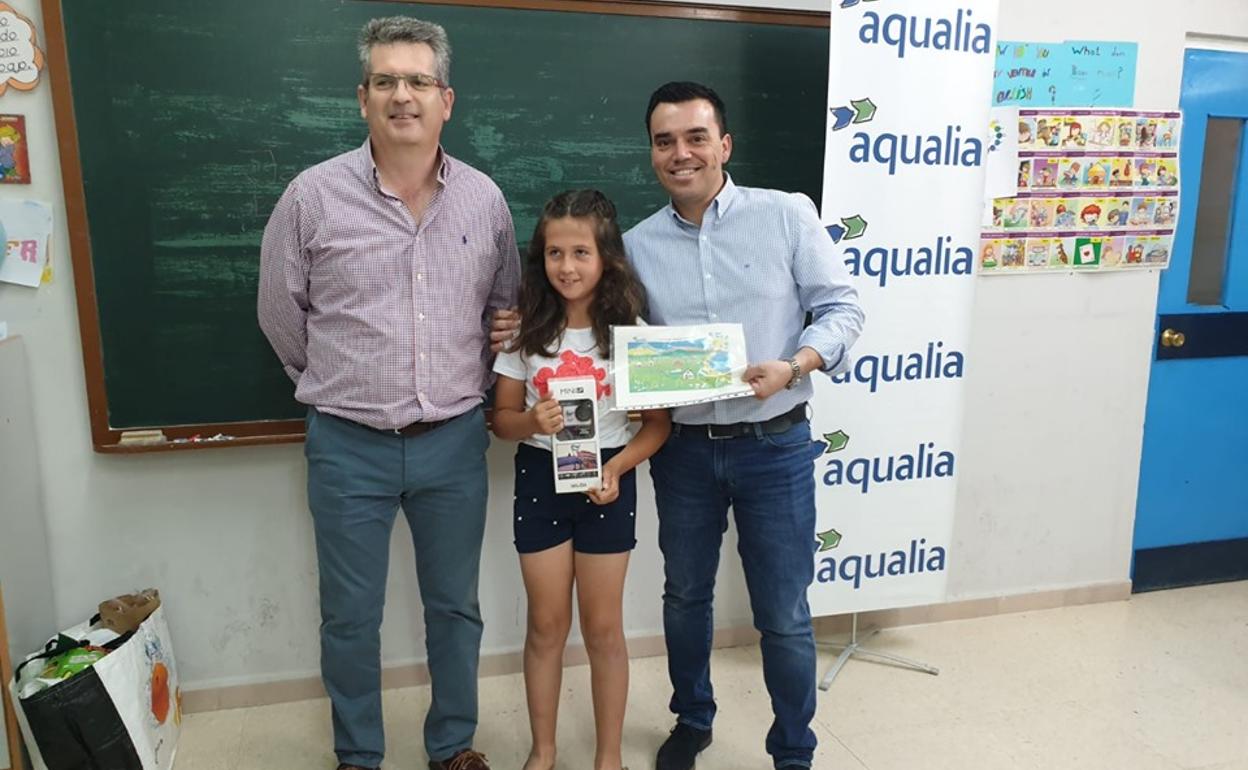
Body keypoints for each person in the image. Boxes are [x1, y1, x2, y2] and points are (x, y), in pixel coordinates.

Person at [257, 16, 519, 770]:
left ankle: (452, 747)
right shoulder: (312, 197)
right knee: (349, 618)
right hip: (348, 446)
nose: (402, 95)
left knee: (456, 609)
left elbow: (503, 311)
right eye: (385, 81)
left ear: (446, 99)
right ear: (362, 97)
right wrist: (339, 385)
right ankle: (358, 756)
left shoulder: (484, 200)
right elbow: (280, 317)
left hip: (454, 443)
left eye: (418, 81)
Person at [624, 82, 864, 770]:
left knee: (783, 611)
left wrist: (796, 364)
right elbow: (619, 337)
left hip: (775, 445)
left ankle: (793, 748)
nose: (681, 153)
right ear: (652, 153)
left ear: (724, 145)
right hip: (683, 452)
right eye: (665, 141)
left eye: (696, 137)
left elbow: (842, 308)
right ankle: (693, 719)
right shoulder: (636, 246)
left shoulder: (786, 215)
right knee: (685, 595)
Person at [492, 189, 671, 770]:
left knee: (603, 628)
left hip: (608, 482)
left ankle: (608, 756)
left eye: (580, 253)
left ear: (606, 257)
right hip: (540, 479)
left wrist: (617, 467)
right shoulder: (526, 331)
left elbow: (657, 427)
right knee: (546, 625)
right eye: (554, 253)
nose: (566, 267)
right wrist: (531, 421)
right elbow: (502, 420)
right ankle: (542, 751)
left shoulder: (630, 334)